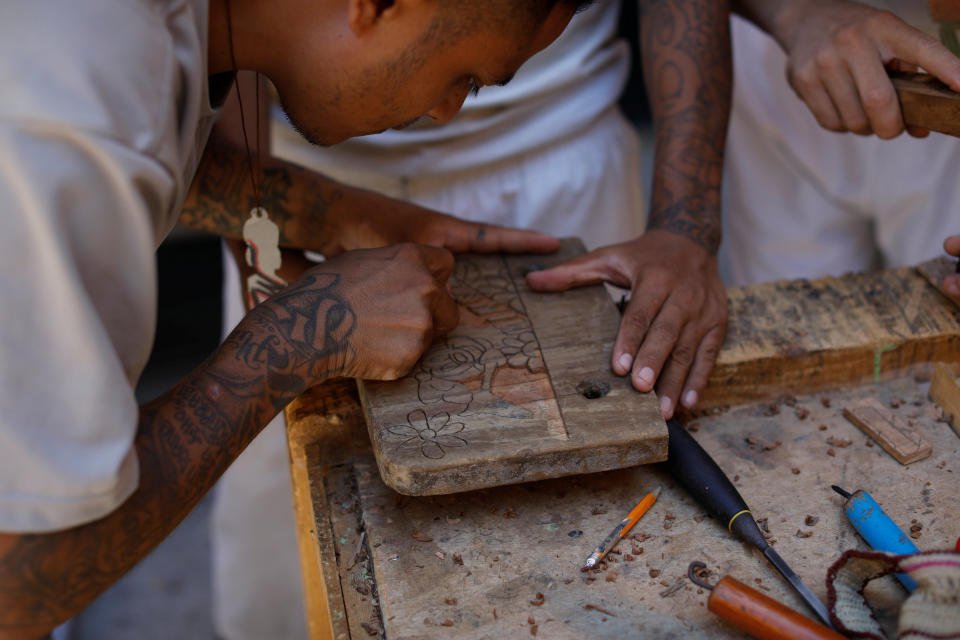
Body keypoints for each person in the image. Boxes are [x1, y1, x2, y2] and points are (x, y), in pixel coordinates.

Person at [0, 0, 602, 636]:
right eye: (469, 78)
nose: (446, 111)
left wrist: (329, 211)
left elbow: (142, 153)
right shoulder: (71, 112)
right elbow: (16, 582)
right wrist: (304, 335)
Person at [725, 0, 960, 289]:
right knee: (793, 313)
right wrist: (792, 14)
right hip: (790, 53)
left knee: (941, 308)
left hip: (944, 114)